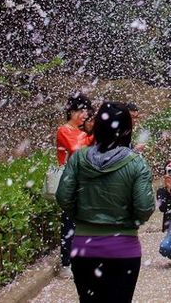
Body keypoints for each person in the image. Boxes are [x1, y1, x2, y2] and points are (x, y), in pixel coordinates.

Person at [56, 102, 155, 302]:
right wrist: (127, 222)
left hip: (84, 246)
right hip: (123, 248)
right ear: (128, 129)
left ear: (98, 126)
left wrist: (83, 218)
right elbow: (144, 207)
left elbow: (63, 197)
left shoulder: (78, 159)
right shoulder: (136, 163)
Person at [55, 94, 94, 278]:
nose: (84, 115)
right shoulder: (64, 130)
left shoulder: (85, 133)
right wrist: (92, 135)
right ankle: (66, 263)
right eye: (81, 111)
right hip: (70, 183)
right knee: (69, 223)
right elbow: (76, 149)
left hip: (86, 183)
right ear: (71, 111)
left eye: (87, 111)